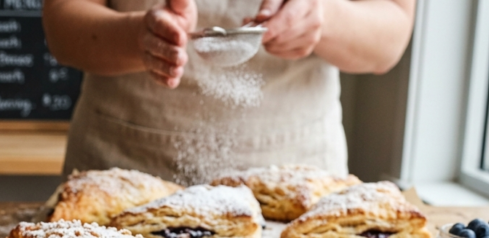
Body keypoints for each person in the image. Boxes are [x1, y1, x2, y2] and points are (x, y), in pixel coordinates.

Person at [43, 0, 416, 183]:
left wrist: (325, 19)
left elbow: (390, 36)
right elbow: (62, 25)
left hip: (296, 177)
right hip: (122, 171)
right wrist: (137, 38)